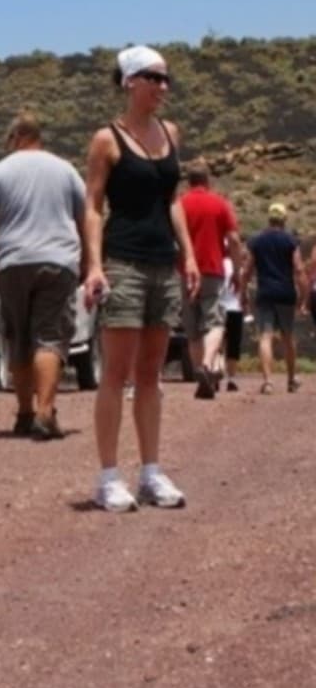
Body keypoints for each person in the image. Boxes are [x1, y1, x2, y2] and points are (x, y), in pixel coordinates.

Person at [82, 45, 199, 513]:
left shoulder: (171, 133)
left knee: (151, 373)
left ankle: (151, 471)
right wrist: (94, 265)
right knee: (116, 371)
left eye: (166, 79)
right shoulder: (106, 140)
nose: (162, 87)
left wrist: (187, 254)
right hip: (124, 261)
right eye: (154, 77)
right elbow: (92, 206)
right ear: (131, 81)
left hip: (161, 261)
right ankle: (109, 475)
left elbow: (172, 200)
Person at [0, 111, 85, 440]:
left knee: (19, 337)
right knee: (50, 337)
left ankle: (24, 412)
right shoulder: (66, 170)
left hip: (11, 262)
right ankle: (45, 412)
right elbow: (86, 216)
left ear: (18, 137)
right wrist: (91, 261)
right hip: (57, 260)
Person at [178, 160, 242, 398]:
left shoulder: (179, 204)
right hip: (212, 270)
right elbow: (234, 240)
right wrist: (236, 270)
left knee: (193, 327)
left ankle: (200, 375)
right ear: (208, 180)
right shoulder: (219, 204)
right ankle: (207, 365)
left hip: (184, 271)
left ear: (188, 181)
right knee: (214, 320)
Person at [244, 203, 307, 394]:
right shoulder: (290, 241)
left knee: (265, 336)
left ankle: (268, 382)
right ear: (285, 219)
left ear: (269, 219)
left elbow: (247, 269)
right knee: (288, 336)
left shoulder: (257, 241)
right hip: (285, 293)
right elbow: (298, 268)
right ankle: (291, 379)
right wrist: (303, 297)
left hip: (265, 293)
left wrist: (242, 292)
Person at [219, 253, 245, 392]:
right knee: (233, 345)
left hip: (218, 307)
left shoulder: (217, 263)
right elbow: (243, 286)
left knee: (218, 344)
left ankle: (215, 374)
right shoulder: (238, 266)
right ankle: (231, 379)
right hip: (235, 308)